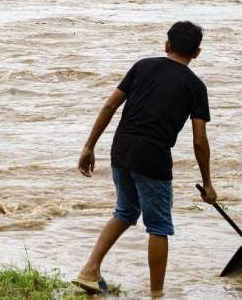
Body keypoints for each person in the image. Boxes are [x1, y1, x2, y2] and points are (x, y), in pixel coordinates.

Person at [73, 21, 218, 296]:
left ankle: (90, 269)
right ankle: (156, 294)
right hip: (153, 157)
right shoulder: (195, 86)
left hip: (122, 149)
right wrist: (208, 183)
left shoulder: (142, 66)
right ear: (197, 53)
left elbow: (110, 105)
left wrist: (89, 147)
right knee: (159, 227)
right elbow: (199, 140)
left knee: (125, 211)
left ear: (167, 45)